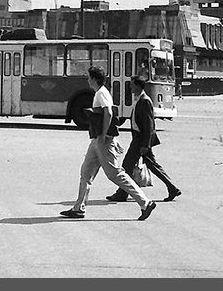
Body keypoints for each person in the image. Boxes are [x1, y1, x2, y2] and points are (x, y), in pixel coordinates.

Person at [60, 66, 156, 221]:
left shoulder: (102, 93)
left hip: (102, 140)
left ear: (94, 79)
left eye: (89, 77)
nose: (87, 80)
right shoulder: (100, 92)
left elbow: (109, 113)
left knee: (115, 174)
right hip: (97, 140)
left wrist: (105, 135)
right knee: (86, 172)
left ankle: (145, 202)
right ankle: (78, 207)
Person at [107, 76, 182, 203]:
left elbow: (149, 126)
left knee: (127, 165)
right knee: (151, 165)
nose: (130, 87)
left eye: (132, 85)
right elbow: (132, 117)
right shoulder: (138, 99)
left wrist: (145, 144)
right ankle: (172, 188)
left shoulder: (145, 101)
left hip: (141, 139)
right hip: (138, 138)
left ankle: (122, 193)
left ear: (138, 86)